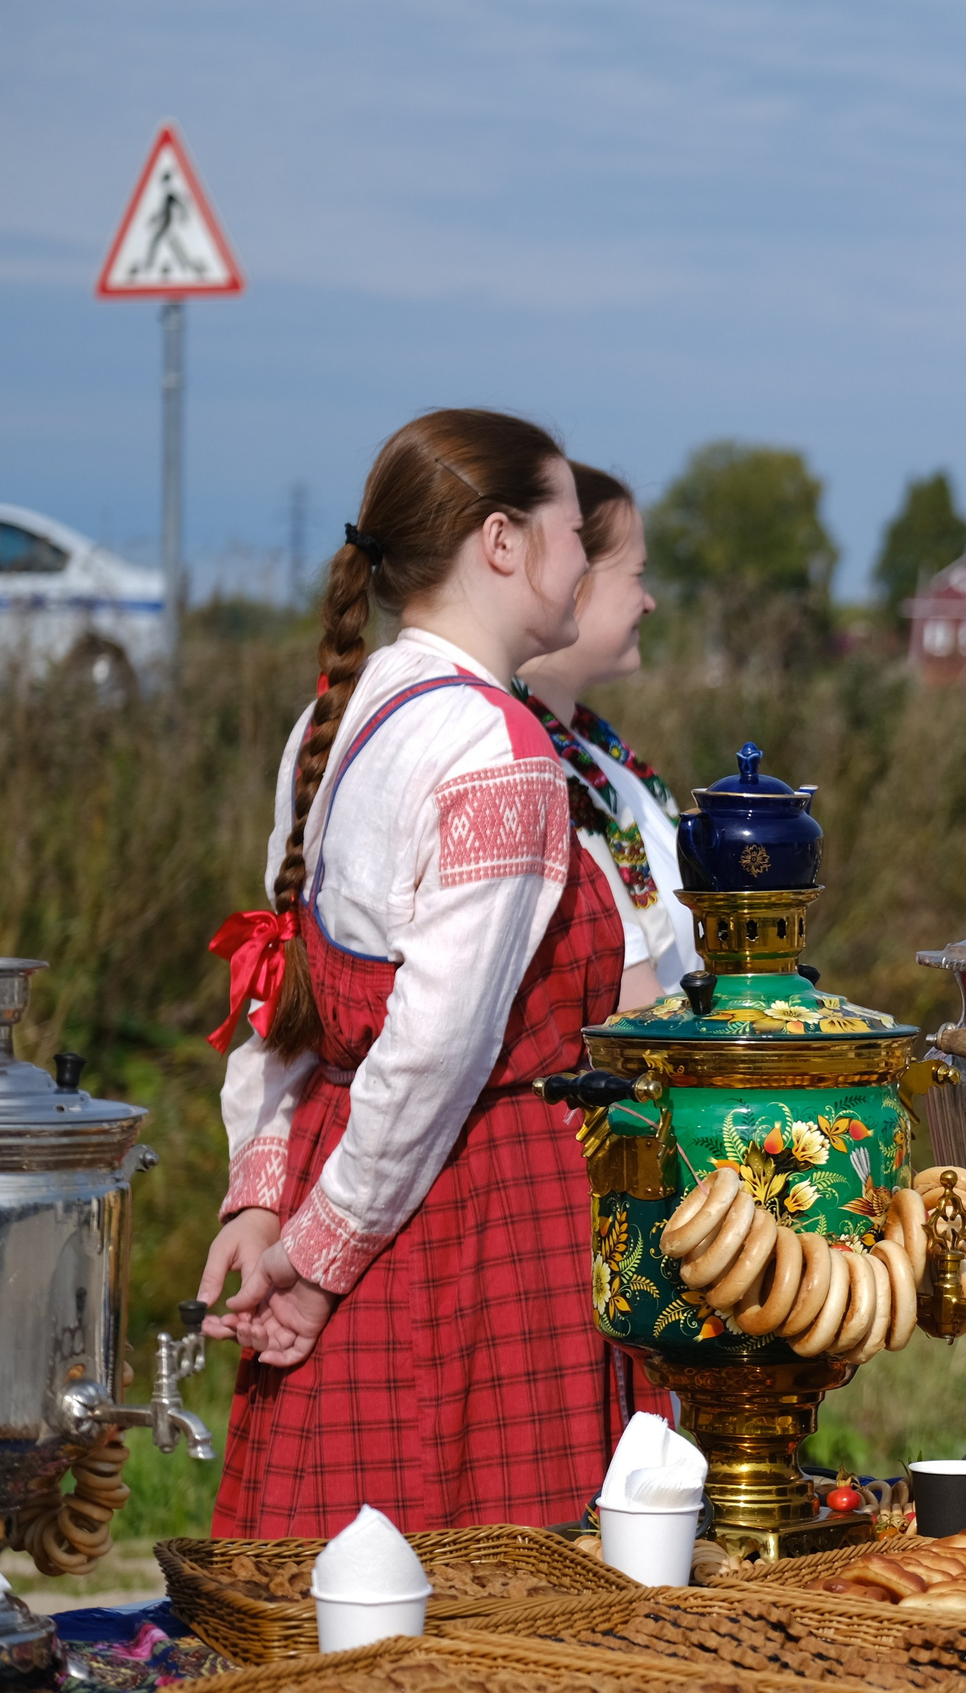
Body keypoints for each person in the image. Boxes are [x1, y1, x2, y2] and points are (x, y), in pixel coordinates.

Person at [196, 409, 636, 1533]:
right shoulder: (495, 748)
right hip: (478, 1219)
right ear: (501, 541)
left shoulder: (336, 713)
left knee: (348, 1588)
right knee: (490, 1591)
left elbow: (278, 1001)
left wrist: (264, 1195)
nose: (583, 559)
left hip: (352, 1174)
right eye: (566, 530)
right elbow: (433, 1049)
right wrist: (316, 1259)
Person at [514, 463, 698, 1010]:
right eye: (636, 574)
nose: (649, 601)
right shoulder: (537, 763)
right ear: (571, 579)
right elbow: (632, 1004)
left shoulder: (597, 755)